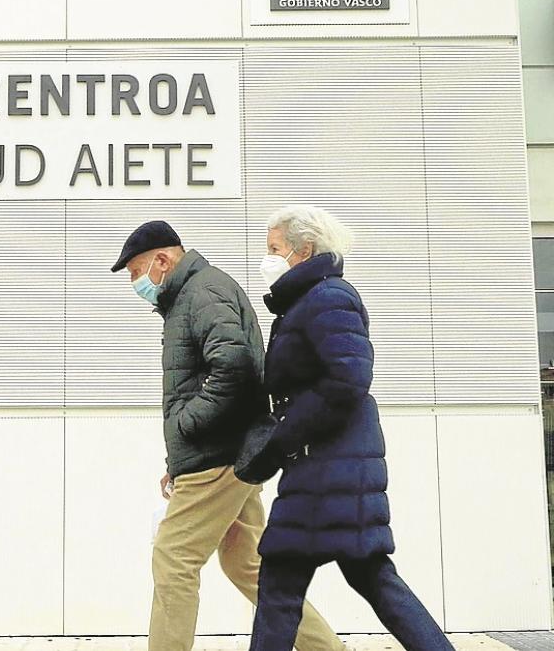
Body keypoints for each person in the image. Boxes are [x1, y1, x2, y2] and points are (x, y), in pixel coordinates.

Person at [111, 221, 343, 651]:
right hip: (231, 451)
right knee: (248, 565)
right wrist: (174, 461)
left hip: (218, 455)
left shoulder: (202, 292)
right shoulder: (193, 294)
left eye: (136, 271)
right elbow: (204, 376)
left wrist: (186, 427)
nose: (135, 282)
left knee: (173, 557)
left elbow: (234, 370)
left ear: (163, 260)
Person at [249, 205, 453, 651]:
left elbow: (348, 378)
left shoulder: (327, 298)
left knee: (281, 583)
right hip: (335, 466)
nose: (266, 259)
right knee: (371, 576)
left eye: (274, 249)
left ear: (304, 250)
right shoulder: (311, 300)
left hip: (325, 467)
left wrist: (282, 442)